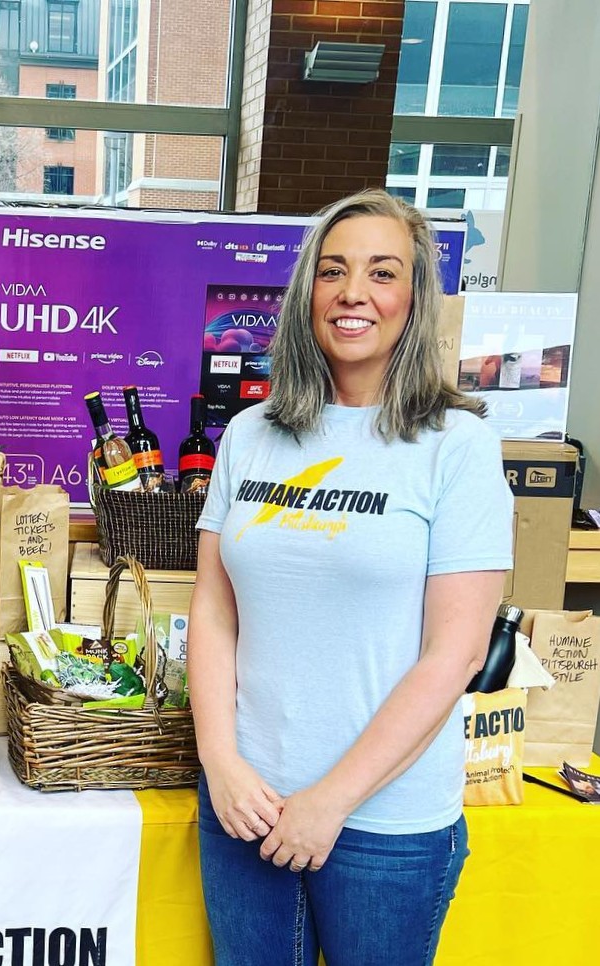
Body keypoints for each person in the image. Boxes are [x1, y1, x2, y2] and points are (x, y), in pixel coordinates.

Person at [188, 189, 513, 966]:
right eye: (332, 271)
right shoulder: (249, 435)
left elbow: (455, 655)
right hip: (244, 805)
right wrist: (220, 763)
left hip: (384, 824)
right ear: (307, 292)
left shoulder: (455, 445)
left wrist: (330, 802)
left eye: (381, 271)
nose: (352, 294)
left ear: (413, 297)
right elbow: (212, 611)